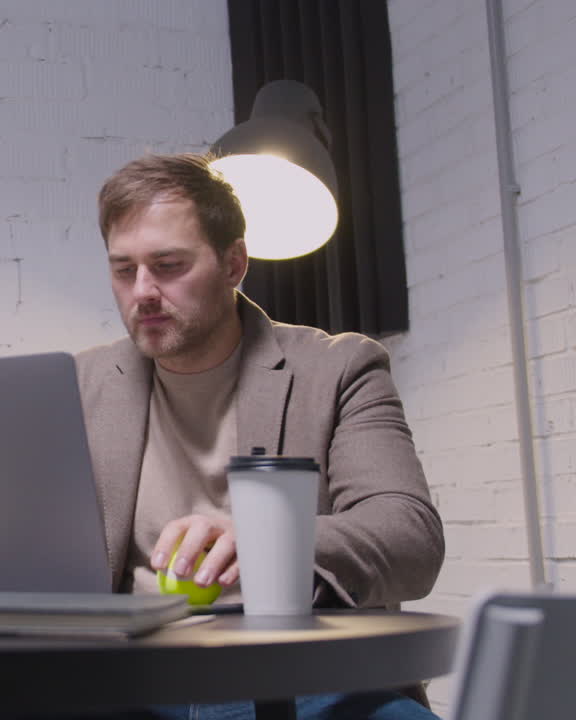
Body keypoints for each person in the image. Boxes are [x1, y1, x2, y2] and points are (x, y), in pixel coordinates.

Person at [76, 152, 445, 720]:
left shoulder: (339, 368)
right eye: (124, 270)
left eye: (168, 264)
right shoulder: (82, 384)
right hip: (129, 673)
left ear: (234, 263)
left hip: (300, 665)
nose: (142, 291)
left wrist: (268, 538)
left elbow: (409, 536)